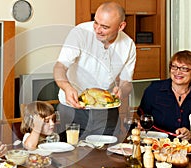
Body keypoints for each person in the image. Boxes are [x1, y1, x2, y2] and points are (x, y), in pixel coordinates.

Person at [53, 2, 136, 139]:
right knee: (70, 157)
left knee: (106, 155)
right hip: (73, 108)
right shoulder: (80, 33)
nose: (97, 29)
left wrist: (122, 90)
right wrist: (66, 87)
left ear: (121, 26)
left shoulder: (128, 45)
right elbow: (60, 67)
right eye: (96, 23)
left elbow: (126, 82)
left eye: (104, 27)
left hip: (107, 111)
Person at [138, 50, 191, 141]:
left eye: (184, 68)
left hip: (188, 149)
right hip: (156, 146)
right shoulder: (153, 90)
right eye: (174, 67)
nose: (178, 72)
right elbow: (142, 119)